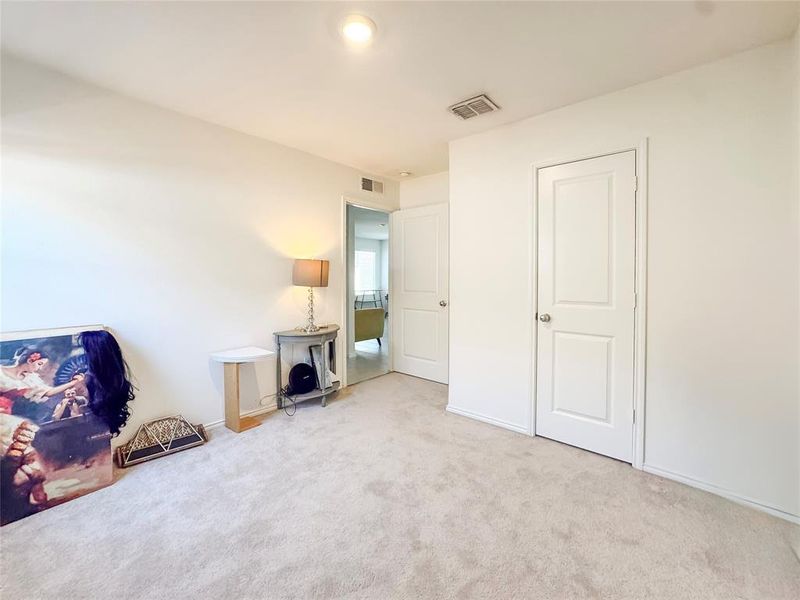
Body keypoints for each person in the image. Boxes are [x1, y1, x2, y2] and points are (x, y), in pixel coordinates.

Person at [0, 347, 85, 417]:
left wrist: (73, 382)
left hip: (9, 415)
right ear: (30, 361)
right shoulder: (1, 371)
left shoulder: (30, 379)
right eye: (39, 364)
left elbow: (49, 392)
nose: (39, 368)